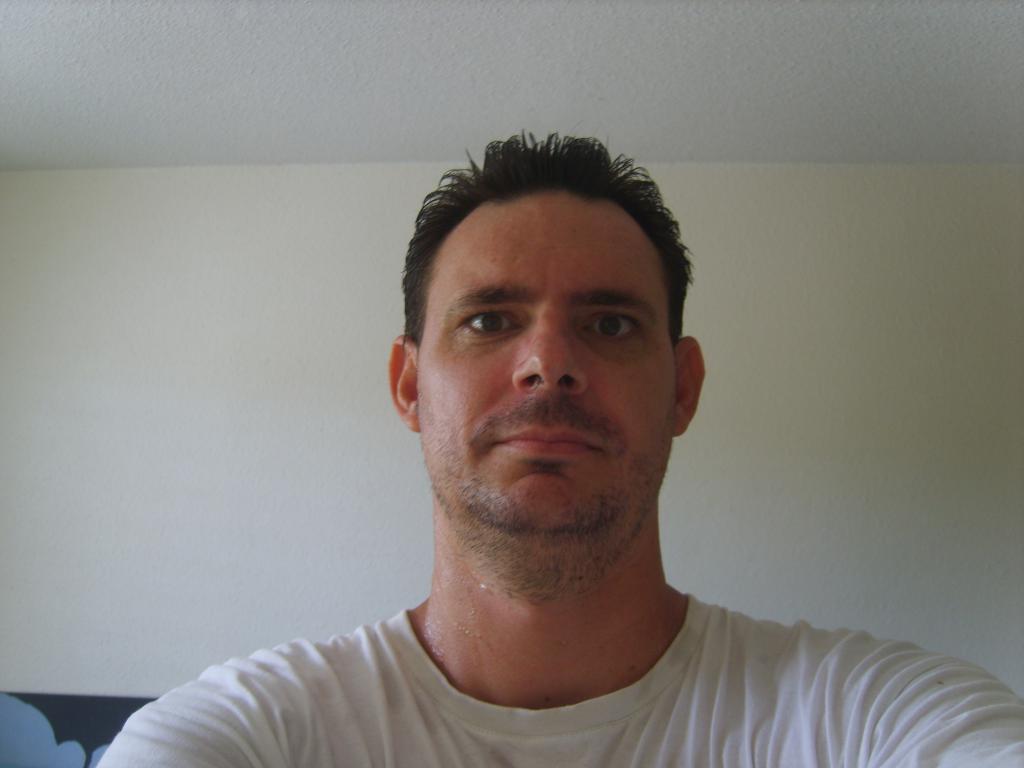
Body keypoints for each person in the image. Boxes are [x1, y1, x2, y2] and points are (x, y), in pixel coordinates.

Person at [101, 134, 1024, 767]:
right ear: (410, 385)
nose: (548, 363)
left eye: (611, 323)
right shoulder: (256, 733)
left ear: (683, 388)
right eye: (489, 319)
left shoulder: (866, 720)